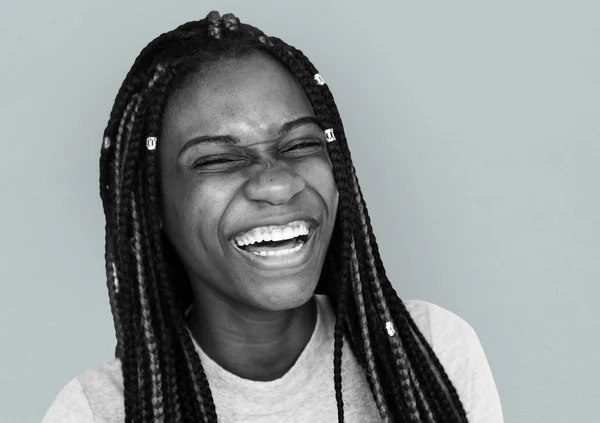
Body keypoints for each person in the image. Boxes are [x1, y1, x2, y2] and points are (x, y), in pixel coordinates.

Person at [42, 10, 503, 423]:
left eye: (301, 145)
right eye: (216, 160)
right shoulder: (96, 411)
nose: (278, 184)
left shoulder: (434, 349)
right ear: (154, 205)